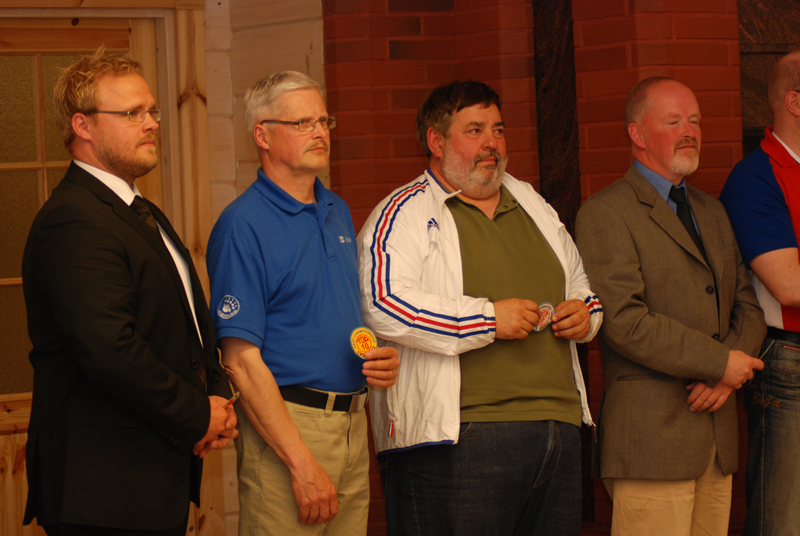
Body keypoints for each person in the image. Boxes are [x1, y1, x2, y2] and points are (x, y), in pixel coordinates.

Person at [357, 80, 604, 536]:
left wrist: (585, 316)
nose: (492, 143)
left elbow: (582, 285)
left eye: (499, 130)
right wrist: (488, 319)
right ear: (436, 141)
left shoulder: (532, 202)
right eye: (475, 130)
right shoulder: (403, 213)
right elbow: (383, 304)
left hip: (559, 430)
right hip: (459, 438)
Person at [22, 48, 236, 536]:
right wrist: (195, 414)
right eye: (132, 113)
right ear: (83, 125)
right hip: (102, 491)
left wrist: (215, 400)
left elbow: (186, 323)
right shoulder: (73, 219)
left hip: (150, 477)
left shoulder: (141, 211)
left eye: (152, 110)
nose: (152, 123)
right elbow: (109, 350)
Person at [206, 71, 400, 536]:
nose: (320, 132)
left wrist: (381, 356)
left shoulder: (336, 209)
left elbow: (326, 314)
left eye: (323, 121)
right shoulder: (242, 225)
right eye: (302, 123)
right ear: (262, 136)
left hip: (352, 421)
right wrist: (300, 462)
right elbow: (240, 361)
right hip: (290, 428)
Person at [575, 77, 766, 536]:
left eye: (695, 121)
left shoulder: (712, 211)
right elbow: (624, 321)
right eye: (674, 121)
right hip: (651, 441)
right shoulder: (606, 212)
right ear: (637, 133)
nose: (690, 132)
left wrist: (727, 373)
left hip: (716, 436)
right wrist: (719, 363)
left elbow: (748, 304)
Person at [719, 51, 800, 536]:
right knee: (783, 520)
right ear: (794, 101)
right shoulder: (757, 176)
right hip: (790, 365)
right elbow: (789, 284)